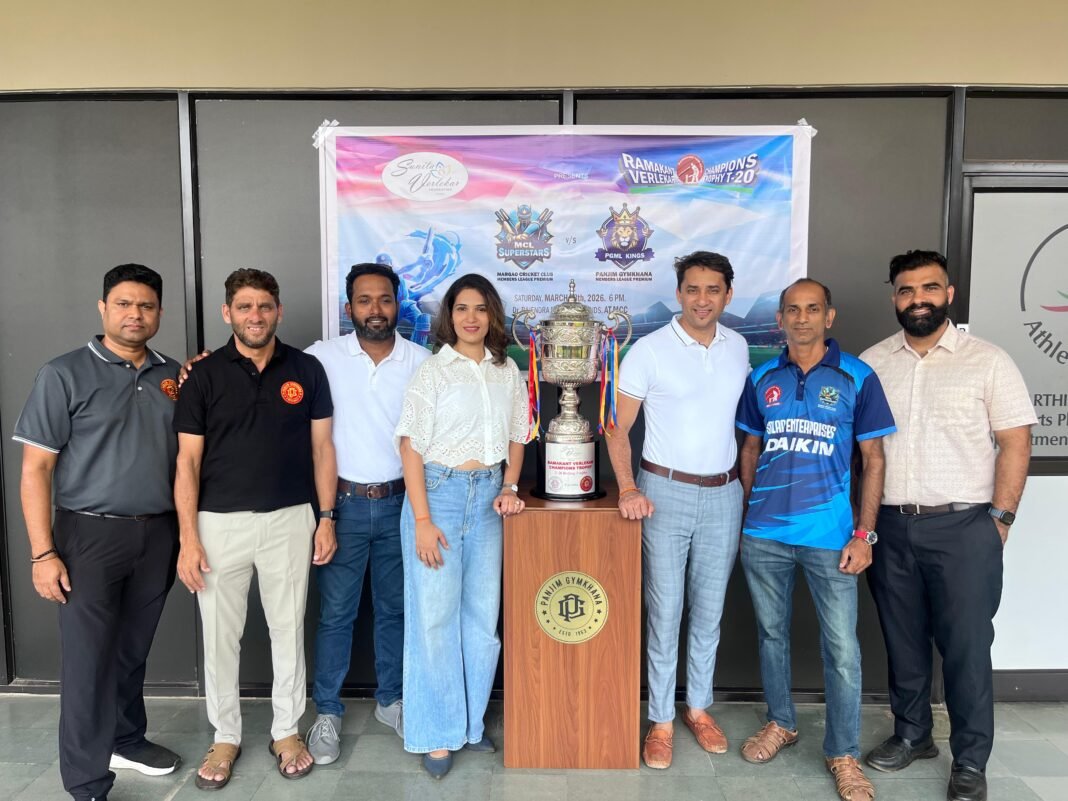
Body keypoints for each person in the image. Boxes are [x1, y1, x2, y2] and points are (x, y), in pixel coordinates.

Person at [861, 250, 1036, 801]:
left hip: (964, 528)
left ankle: (970, 760)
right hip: (891, 526)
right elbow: (861, 452)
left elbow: (1015, 442)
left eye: (929, 288)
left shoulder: (989, 361)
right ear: (894, 297)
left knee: (966, 648)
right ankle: (913, 735)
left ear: (949, 294)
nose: (918, 300)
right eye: (907, 290)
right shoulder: (872, 363)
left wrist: (999, 521)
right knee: (903, 639)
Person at [13, 263, 183, 801]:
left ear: (159, 312)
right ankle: (87, 782)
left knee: (132, 651)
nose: (136, 314)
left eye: (147, 305)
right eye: (124, 304)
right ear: (103, 308)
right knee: (88, 661)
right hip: (88, 536)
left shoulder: (173, 376)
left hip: (158, 534)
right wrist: (43, 553)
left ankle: (125, 740)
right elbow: (36, 469)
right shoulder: (63, 374)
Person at [173, 268, 337, 789]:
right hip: (218, 525)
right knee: (221, 637)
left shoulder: (306, 369)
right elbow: (187, 463)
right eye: (244, 307)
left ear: (278, 311)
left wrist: (326, 518)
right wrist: (188, 538)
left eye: (264, 306)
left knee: (289, 630)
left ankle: (286, 730)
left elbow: (322, 449)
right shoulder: (202, 376)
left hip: (291, 519)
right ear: (228, 313)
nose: (255, 316)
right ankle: (226, 737)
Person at [736, 278, 895, 801]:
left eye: (812, 309)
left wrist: (864, 534)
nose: (801, 318)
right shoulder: (762, 377)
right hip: (765, 536)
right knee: (771, 635)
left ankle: (843, 753)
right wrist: (750, 512)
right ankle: (781, 722)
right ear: (780, 319)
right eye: (792, 309)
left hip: (831, 536)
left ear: (829, 316)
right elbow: (750, 448)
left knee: (842, 649)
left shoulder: (857, 376)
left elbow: (873, 459)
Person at [606, 251, 749, 770]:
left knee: (709, 612)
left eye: (712, 290)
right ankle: (661, 720)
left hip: (724, 493)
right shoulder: (649, 350)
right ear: (678, 293)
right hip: (663, 493)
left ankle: (699, 708)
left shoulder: (738, 348)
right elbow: (616, 428)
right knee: (665, 612)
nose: (702, 299)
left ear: (727, 295)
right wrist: (628, 489)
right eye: (692, 289)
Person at [394, 273, 529, 779]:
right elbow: (410, 446)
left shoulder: (506, 371)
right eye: (461, 308)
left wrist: (510, 486)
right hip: (439, 496)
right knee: (434, 619)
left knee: (480, 618)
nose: (471, 318)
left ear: (493, 315)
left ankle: (470, 725)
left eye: (480, 308)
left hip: (488, 498)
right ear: (448, 316)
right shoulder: (433, 371)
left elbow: (518, 435)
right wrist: (423, 520)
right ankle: (436, 733)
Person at [303, 263, 430, 763]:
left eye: (384, 299)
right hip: (343, 506)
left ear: (397, 305)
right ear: (349, 307)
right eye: (364, 300)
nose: (375, 309)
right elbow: (264, 368)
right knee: (337, 614)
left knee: (396, 610)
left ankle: (391, 701)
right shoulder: (321, 357)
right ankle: (328, 712)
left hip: (403, 505)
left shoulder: (422, 361)